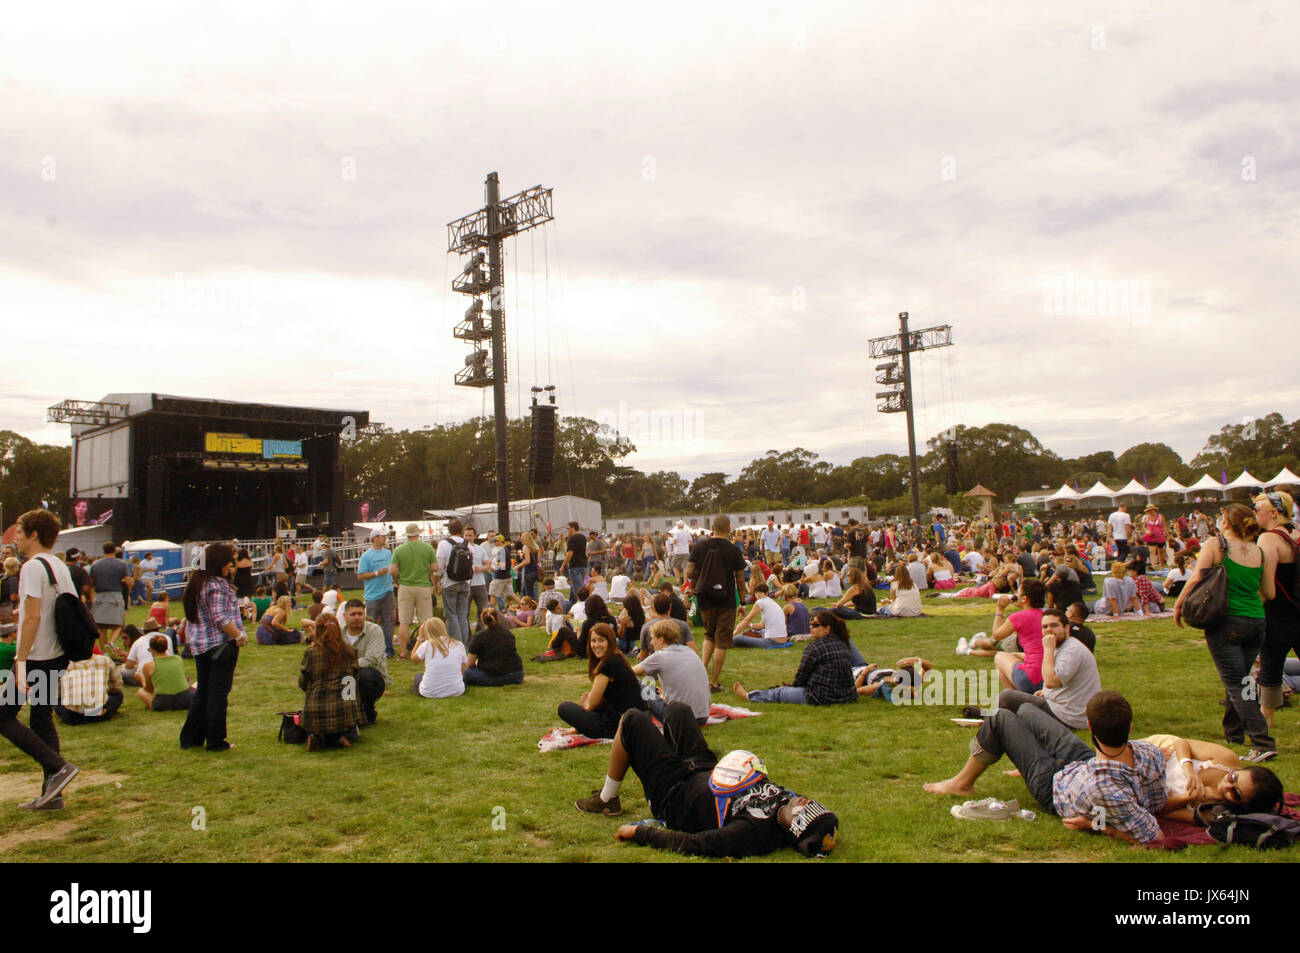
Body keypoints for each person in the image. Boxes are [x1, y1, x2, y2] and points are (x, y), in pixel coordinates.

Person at [575, 703, 839, 858]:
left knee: (633, 719)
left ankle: (606, 799)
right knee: (678, 710)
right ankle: (663, 749)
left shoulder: (755, 832)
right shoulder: (786, 802)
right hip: (710, 771)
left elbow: (697, 844)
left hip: (674, 794)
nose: (804, 800)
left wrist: (639, 833)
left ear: (798, 825)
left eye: (807, 810)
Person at [924, 691, 1167, 844]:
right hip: (1086, 763)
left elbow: (1152, 836)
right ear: (1130, 727)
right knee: (1025, 709)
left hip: (1054, 787)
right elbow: (1149, 802)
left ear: (1090, 728)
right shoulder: (1150, 752)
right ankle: (1025, 756)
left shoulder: (1103, 789)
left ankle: (962, 784)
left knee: (999, 718)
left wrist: (1094, 824)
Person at [1174, 502, 1276, 763]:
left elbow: (1196, 578)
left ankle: (1262, 741)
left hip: (1226, 622)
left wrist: (1179, 604)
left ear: (1226, 522)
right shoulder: (1260, 551)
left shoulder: (1215, 545)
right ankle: (1234, 732)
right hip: (1256, 620)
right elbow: (1269, 593)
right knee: (1244, 680)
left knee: (1236, 683)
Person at [2, 509, 80, 810]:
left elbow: (34, 616)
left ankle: (57, 766)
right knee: (41, 718)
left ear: (34, 535)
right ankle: (53, 794)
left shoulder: (33, 567)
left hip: (36, 656)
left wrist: (20, 660)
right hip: (56, 654)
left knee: (3, 715)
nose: (16, 538)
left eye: (19, 531)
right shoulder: (58, 565)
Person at [179, 542, 248, 753]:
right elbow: (220, 617)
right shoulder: (217, 585)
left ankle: (191, 738)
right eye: (229, 561)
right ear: (220, 562)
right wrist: (239, 635)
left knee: (203, 693)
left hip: (201, 645)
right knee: (218, 694)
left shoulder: (198, 583)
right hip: (221, 646)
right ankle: (216, 741)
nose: (232, 566)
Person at [990, 608, 1101, 728]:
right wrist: (1046, 693)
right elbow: (1062, 681)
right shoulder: (1064, 646)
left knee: (1007, 697)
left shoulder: (1071, 651)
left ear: (1066, 628)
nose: (1048, 630)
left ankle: (996, 719)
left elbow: (1051, 682)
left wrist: (1047, 649)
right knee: (1020, 705)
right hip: (1064, 707)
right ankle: (996, 718)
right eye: (1044, 627)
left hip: (1069, 716)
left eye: (1054, 625)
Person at [1139, 735, 1283, 821]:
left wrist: (1189, 797)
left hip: (1144, 783)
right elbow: (1182, 743)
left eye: (1235, 793)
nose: (1227, 786)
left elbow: (1161, 810)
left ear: (1245, 805)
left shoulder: (1211, 813)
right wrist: (1189, 770)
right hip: (1162, 749)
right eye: (1233, 777)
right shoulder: (1227, 760)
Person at [732, 611, 858, 705]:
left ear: (827, 628)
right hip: (847, 696)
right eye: (811, 624)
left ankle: (749, 696)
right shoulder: (843, 644)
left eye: (815, 625)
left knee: (779, 693)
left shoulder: (815, 647)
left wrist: (792, 687)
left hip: (821, 697)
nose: (811, 627)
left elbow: (802, 676)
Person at [686, 515, 747, 694]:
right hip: (726, 598)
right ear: (729, 529)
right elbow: (740, 579)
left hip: (705, 596)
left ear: (712, 527)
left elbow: (689, 571)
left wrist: (701, 582)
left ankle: (702, 673)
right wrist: (743, 602)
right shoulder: (734, 550)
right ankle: (713, 682)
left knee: (709, 635)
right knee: (722, 640)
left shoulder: (700, 546)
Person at [1254, 490, 1298, 731]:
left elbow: (1267, 587)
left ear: (1273, 513)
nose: (1255, 514)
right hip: (1298, 609)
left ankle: (1266, 727)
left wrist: (1251, 610)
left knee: (1269, 671)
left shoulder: (1269, 539)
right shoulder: (1297, 534)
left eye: (1258, 509)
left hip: (1278, 615)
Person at [557, 622, 647, 739]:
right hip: (635, 720)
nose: (596, 645)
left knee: (564, 708)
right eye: (593, 641)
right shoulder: (619, 657)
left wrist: (588, 706)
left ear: (610, 641)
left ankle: (579, 728)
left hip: (617, 727)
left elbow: (593, 703)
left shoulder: (608, 663)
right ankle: (578, 728)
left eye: (601, 640)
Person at [298, 618, 362, 751]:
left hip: (316, 711)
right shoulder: (351, 651)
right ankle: (339, 737)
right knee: (351, 731)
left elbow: (303, 683)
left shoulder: (311, 653)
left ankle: (318, 737)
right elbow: (354, 681)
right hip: (345, 711)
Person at [633, 619, 711, 723]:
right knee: (652, 689)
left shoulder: (660, 656)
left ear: (661, 639)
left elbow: (630, 671)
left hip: (679, 720)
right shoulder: (688, 651)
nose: (651, 643)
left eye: (652, 639)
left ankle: (637, 719)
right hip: (703, 716)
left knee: (637, 681)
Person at [339, 599, 390, 726]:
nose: (357, 617)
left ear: (365, 614)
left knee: (366, 676)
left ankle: (367, 711)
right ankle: (345, 714)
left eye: (360, 614)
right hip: (346, 676)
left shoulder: (374, 630)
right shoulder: (340, 634)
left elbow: (372, 659)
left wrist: (346, 666)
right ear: (345, 616)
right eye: (352, 614)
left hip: (372, 677)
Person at [392, 523, 438, 660]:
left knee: (404, 621)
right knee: (425, 622)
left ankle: (403, 653)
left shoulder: (399, 550)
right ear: (418, 533)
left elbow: (392, 570)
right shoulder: (427, 548)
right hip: (423, 586)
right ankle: (426, 651)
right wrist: (426, 570)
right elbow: (435, 567)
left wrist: (401, 575)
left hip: (405, 586)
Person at [356, 530, 396, 657]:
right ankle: (371, 649)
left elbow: (392, 569)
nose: (385, 538)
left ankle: (388, 649)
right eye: (382, 536)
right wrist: (377, 573)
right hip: (372, 595)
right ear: (374, 538)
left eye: (385, 536)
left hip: (388, 591)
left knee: (388, 621)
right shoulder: (366, 556)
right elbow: (360, 576)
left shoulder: (388, 553)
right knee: (371, 623)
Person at [89, 542, 132, 659]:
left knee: (102, 627)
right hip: (115, 596)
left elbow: (91, 583)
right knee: (118, 625)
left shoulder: (95, 565)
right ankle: (111, 643)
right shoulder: (121, 564)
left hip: (100, 597)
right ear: (114, 550)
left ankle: (104, 653)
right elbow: (129, 582)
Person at [436, 518, 473, 646]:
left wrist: (437, 581)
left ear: (449, 530)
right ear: (461, 529)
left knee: (451, 615)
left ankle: (456, 645)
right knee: (462, 615)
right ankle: (464, 644)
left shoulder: (443, 544)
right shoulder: (466, 543)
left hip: (450, 582)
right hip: (465, 582)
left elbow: (439, 566)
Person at [464, 608, 524, 686]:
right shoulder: (508, 633)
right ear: (498, 618)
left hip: (492, 675)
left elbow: (470, 663)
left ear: (483, 621)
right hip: (516, 674)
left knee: (466, 672)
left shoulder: (478, 637)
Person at [410, 618, 467, 699]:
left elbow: (414, 659)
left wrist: (420, 638)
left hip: (429, 692)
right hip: (456, 690)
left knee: (418, 676)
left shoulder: (427, 645)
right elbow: (463, 668)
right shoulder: (458, 644)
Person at [136, 634, 194, 711]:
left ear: (152, 650)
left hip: (163, 702)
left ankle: (155, 705)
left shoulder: (148, 666)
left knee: (140, 691)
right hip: (186, 699)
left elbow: (149, 689)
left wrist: (141, 679)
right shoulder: (178, 659)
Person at [731, 583, 789, 648]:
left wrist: (734, 633)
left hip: (772, 642)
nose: (758, 594)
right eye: (756, 592)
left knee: (738, 638)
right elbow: (762, 625)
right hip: (783, 640)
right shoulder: (771, 602)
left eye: (761, 592)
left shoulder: (760, 602)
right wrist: (749, 625)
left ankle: (727, 640)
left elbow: (747, 619)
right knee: (756, 631)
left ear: (766, 593)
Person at [558, 521, 588, 596]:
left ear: (573, 528)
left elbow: (570, 554)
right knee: (577, 586)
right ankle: (573, 603)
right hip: (583, 564)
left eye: (568, 528)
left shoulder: (572, 539)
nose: (567, 530)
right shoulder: (583, 538)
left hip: (575, 565)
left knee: (578, 589)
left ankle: (582, 604)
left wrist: (562, 566)